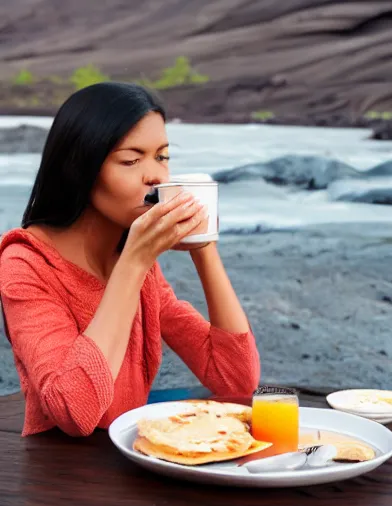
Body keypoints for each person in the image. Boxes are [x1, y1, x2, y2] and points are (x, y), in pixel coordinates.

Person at [0, 82, 260, 437]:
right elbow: (74, 411)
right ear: (80, 169)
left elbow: (236, 379)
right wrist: (134, 264)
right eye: (131, 160)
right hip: (60, 475)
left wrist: (204, 246)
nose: (155, 176)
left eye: (162, 156)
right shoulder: (25, 264)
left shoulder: (136, 260)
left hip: (131, 463)